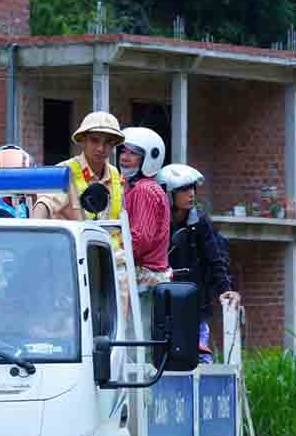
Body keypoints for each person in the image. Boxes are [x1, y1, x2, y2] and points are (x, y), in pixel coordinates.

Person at [157, 163, 241, 363]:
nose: (191, 194)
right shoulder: (159, 220)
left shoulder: (200, 221)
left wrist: (225, 289)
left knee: (200, 357)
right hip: (163, 297)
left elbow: (215, 258)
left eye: (193, 188)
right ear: (168, 193)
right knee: (163, 355)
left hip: (195, 299)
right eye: (184, 189)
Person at [31, 112, 125, 243]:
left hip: (112, 259)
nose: (101, 148)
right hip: (70, 257)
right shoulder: (64, 171)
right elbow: (44, 204)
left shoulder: (115, 175)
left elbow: (121, 224)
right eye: (94, 140)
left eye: (108, 142)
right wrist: (33, 234)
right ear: (83, 141)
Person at [117, 127, 172, 291]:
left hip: (145, 277)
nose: (124, 158)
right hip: (143, 274)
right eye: (123, 151)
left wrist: (110, 253)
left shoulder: (144, 190)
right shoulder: (133, 187)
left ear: (149, 158)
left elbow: (140, 240)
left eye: (133, 153)